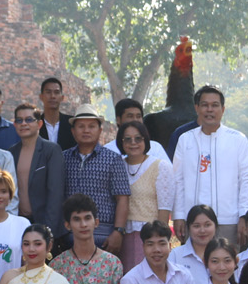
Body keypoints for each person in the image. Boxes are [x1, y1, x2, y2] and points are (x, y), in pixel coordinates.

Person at [170, 85, 248, 244]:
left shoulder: (237, 140)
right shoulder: (185, 140)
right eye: (205, 105)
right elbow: (178, 180)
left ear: (223, 109)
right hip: (193, 221)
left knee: (226, 267)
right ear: (197, 108)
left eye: (215, 105)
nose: (210, 110)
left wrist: (244, 215)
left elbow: (246, 180)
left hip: (228, 220)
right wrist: (179, 216)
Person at [61, 104, 131, 254]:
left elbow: (122, 198)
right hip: (69, 235)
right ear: (73, 131)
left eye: (91, 126)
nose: (86, 130)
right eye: (81, 126)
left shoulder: (113, 159)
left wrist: (118, 231)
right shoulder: (63, 158)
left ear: (100, 130)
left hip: (104, 235)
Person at [115, 120, 173, 272]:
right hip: (123, 235)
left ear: (146, 140)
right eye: (127, 139)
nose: (133, 143)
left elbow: (164, 207)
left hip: (149, 235)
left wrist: (159, 241)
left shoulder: (160, 166)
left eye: (138, 138)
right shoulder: (117, 165)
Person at [11, 103, 66, 231]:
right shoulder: (11, 153)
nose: (24, 123)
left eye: (29, 119)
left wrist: (48, 229)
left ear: (39, 124)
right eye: (19, 120)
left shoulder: (51, 150)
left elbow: (55, 193)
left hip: (45, 222)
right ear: (15, 125)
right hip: (19, 222)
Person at [168, 204, 219, 284]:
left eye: (207, 225)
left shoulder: (224, 255)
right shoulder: (176, 255)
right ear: (188, 228)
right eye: (196, 226)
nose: (202, 230)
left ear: (216, 226)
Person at [103, 99, 169, 162]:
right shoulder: (107, 151)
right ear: (118, 120)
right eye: (130, 116)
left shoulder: (155, 148)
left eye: (138, 116)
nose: (135, 120)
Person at [37, 77, 76, 150]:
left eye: (56, 92)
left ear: (62, 97)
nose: (52, 96)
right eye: (48, 92)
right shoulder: (35, 125)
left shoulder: (72, 124)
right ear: (41, 97)